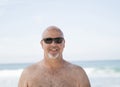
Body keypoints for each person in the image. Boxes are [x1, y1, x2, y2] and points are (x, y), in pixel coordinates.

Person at [18, 26, 91, 87]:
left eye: (58, 40)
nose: (53, 44)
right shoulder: (28, 74)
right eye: (48, 40)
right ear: (42, 44)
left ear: (64, 43)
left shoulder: (78, 73)